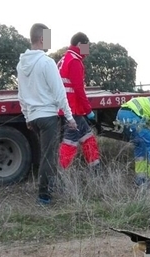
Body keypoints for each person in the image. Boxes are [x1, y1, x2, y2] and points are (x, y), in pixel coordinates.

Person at [17, 23, 76, 205]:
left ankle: (55, 186)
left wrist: (27, 116)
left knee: (47, 154)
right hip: (48, 116)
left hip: (34, 117)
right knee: (48, 157)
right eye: (48, 37)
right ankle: (44, 196)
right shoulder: (46, 62)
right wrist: (70, 117)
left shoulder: (22, 64)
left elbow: (21, 94)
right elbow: (59, 92)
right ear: (42, 39)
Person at [57, 31, 100, 171]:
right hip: (73, 108)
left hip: (65, 106)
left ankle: (95, 167)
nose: (87, 52)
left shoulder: (64, 59)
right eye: (86, 47)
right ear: (80, 45)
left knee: (86, 136)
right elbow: (78, 89)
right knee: (71, 141)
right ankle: (61, 172)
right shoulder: (75, 61)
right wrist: (88, 111)